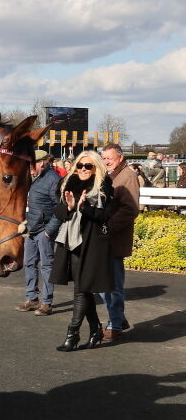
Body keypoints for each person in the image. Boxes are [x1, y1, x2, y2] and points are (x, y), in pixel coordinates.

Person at [49, 150, 114, 352]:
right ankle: (95, 331)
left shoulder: (104, 187)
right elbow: (58, 212)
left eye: (88, 166)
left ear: (96, 168)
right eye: (80, 165)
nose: (83, 170)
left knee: (81, 290)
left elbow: (104, 217)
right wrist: (69, 207)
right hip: (72, 242)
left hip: (93, 244)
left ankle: (73, 334)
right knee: (82, 288)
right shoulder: (67, 185)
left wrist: (84, 208)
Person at [98, 144, 140, 342]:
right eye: (104, 157)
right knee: (101, 283)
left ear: (120, 157)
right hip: (104, 237)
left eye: (109, 158)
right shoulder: (110, 175)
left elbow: (131, 209)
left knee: (113, 285)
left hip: (114, 238)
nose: (106, 161)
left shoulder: (128, 176)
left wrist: (107, 227)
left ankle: (114, 324)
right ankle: (119, 318)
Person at [16, 149, 62, 316]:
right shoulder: (34, 178)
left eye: (31, 163)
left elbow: (60, 208)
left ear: (41, 163)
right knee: (29, 263)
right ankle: (32, 299)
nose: (28, 167)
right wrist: (26, 223)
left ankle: (47, 303)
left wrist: (49, 231)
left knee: (47, 266)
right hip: (32, 230)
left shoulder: (54, 180)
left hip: (44, 231)